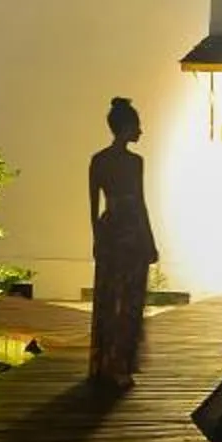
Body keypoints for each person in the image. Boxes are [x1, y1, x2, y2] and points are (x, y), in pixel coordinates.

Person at [88, 95, 157, 389]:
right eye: (137, 126)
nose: (140, 132)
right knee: (129, 299)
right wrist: (150, 241)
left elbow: (93, 206)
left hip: (109, 229)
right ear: (127, 127)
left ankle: (104, 363)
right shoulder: (134, 163)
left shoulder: (98, 161)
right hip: (130, 231)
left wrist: (96, 237)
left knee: (107, 297)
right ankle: (121, 365)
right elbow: (140, 203)